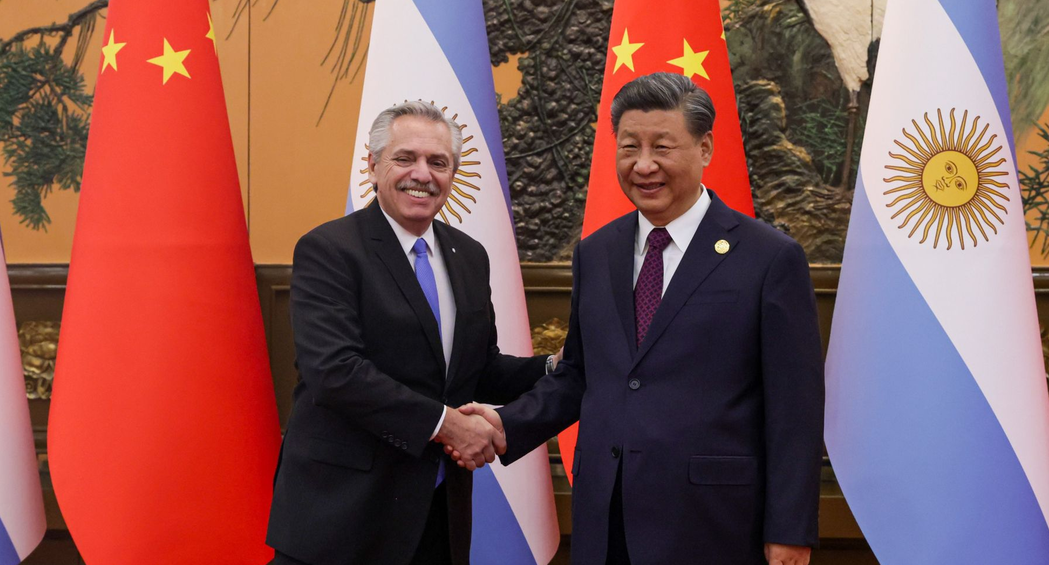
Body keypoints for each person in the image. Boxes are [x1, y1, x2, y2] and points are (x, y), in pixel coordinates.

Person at [456, 73, 824, 565]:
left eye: (662, 147)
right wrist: (504, 424)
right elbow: (583, 374)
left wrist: (790, 530)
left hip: (715, 523)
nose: (644, 164)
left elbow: (794, 407)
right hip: (606, 518)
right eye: (629, 147)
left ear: (706, 148)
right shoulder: (596, 251)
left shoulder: (768, 258)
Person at [267, 101, 555, 565]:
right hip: (342, 515)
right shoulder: (329, 249)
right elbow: (336, 372)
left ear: (453, 174)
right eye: (405, 158)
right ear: (374, 164)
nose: (422, 174)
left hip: (436, 511)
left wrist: (553, 366)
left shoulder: (468, 255)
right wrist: (449, 426)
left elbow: (476, 370)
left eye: (438, 162)